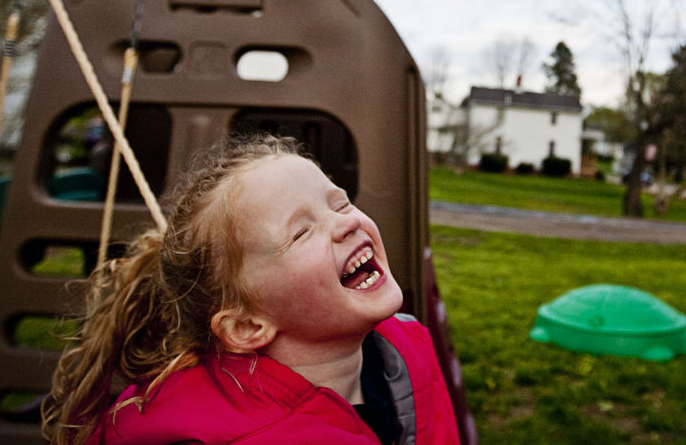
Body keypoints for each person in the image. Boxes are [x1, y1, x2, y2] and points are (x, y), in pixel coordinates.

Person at [41, 133, 460, 445]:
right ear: (246, 325)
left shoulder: (406, 344)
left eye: (340, 203)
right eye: (300, 232)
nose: (347, 222)